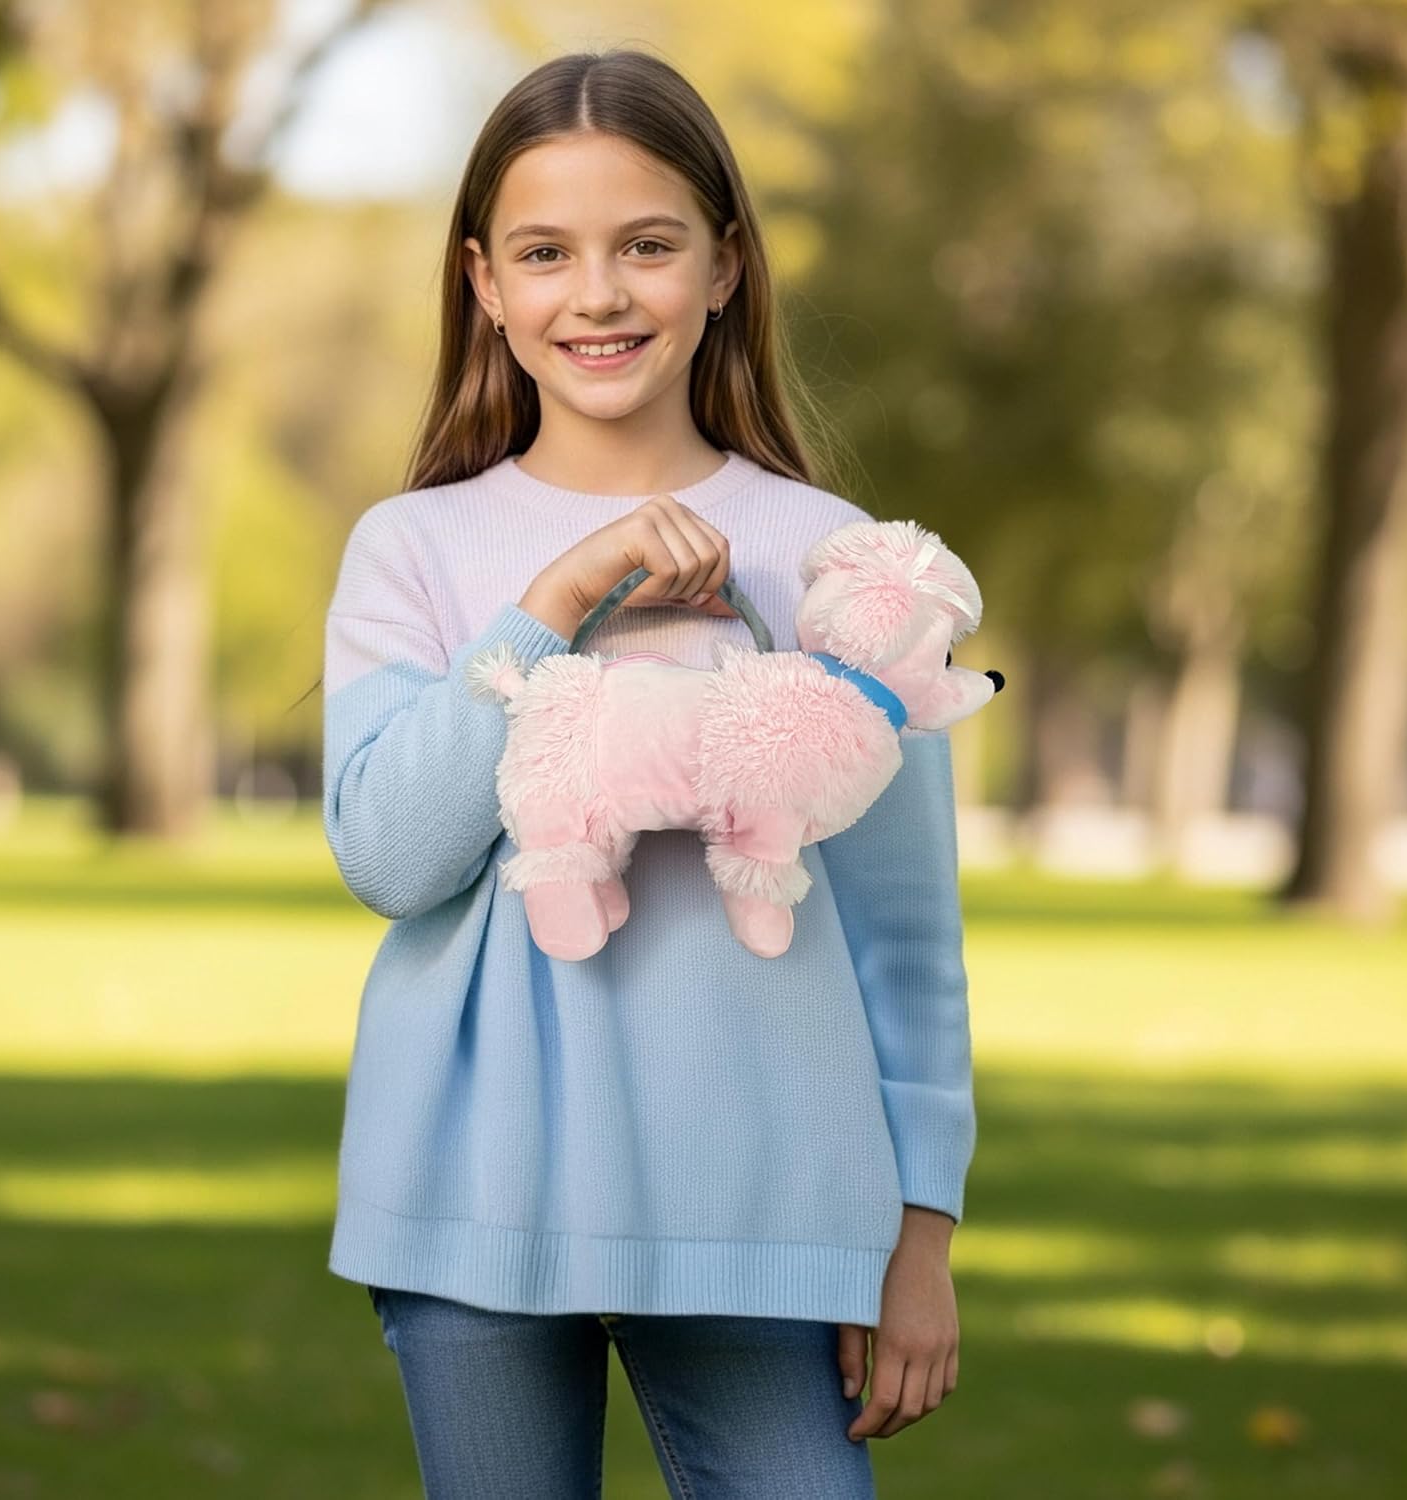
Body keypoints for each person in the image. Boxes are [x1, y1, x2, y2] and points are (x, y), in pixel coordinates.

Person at [321, 46, 976, 1500]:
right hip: (473, 1198)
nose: (598, 295)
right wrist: (555, 604)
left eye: (648, 246)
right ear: (485, 284)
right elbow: (389, 856)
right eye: (548, 253)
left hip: (769, 1201)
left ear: (726, 267)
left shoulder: (836, 555)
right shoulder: (413, 552)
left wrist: (918, 1228)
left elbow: (906, 933)